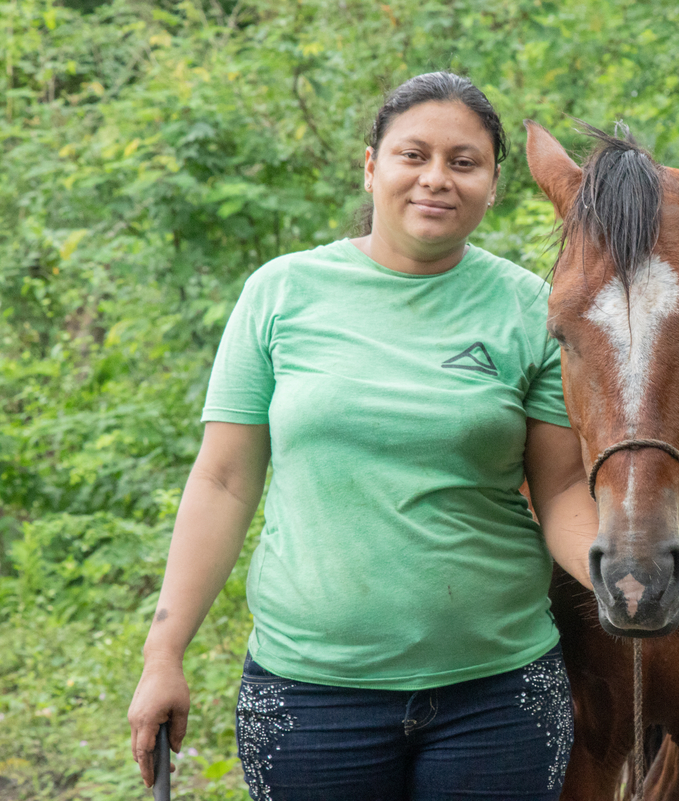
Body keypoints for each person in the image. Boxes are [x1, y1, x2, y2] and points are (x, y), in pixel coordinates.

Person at [126, 71, 598, 800]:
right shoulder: (280, 294)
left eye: (463, 162)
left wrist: (619, 573)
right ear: (371, 165)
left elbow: (562, 485)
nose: (436, 179)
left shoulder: (532, 307)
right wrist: (164, 652)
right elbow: (222, 480)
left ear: (494, 183)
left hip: (497, 696)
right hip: (311, 696)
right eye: (414, 155)